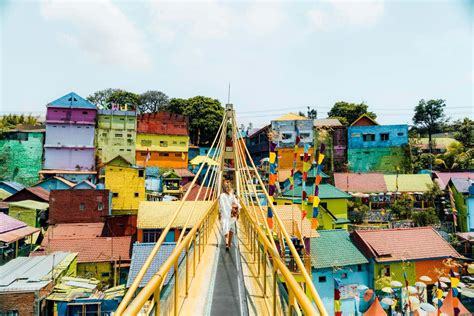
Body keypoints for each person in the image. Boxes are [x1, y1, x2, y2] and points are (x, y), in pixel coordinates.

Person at [219, 180, 241, 250]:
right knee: (231, 229)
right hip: (232, 214)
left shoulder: (222, 196)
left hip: (225, 214)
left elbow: (221, 205)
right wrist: (238, 210)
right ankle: (229, 244)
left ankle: (226, 243)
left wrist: (220, 212)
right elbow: (237, 203)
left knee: (226, 228)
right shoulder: (232, 195)